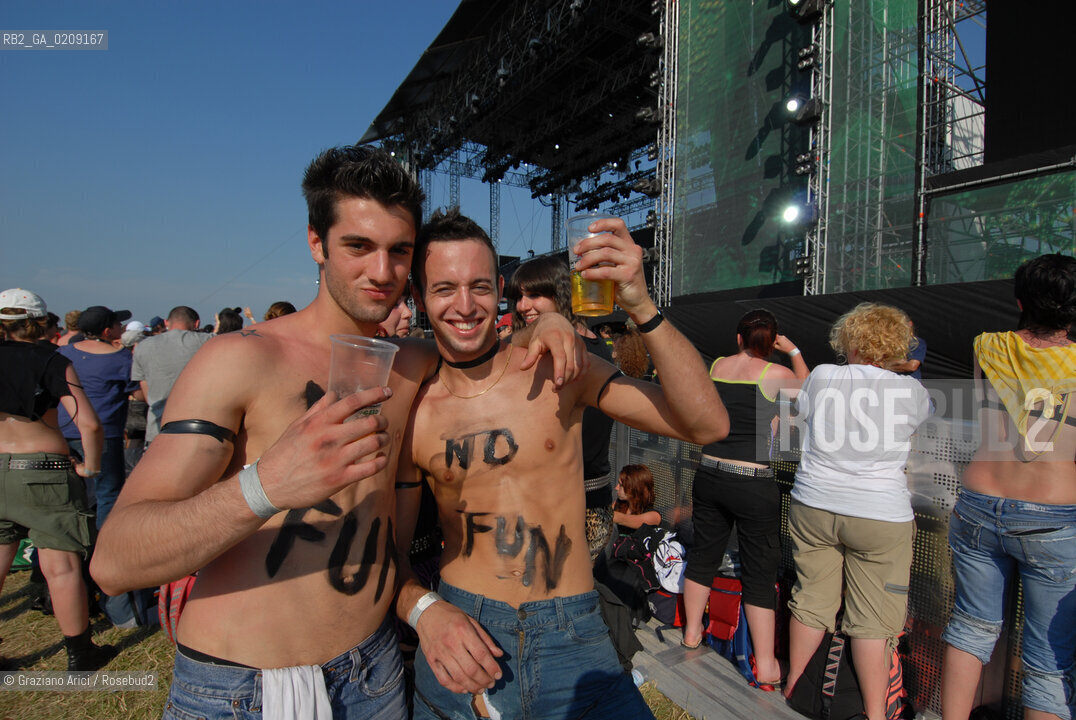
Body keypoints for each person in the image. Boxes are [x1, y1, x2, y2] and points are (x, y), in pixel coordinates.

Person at [90, 146, 583, 718]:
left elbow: (484, 346)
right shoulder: (240, 360)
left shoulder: (411, 362)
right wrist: (266, 485)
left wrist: (546, 322)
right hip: (245, 687)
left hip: (374, 674)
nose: (382, 271)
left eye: (399, 251)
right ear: (316, 244)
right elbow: (115, 559)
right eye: (358, 246)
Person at [395, 208, 728, 720]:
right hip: (464, 632)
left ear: (500, 288)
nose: (465, 305)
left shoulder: (558, 369)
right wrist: (426, 612)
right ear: (418, 297)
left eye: (480, 287)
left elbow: (707, 425)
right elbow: (388, 559)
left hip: (573, 635)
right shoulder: (412, 409)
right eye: (444, 289)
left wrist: (640, 304)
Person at [941, 254, 1076, 720]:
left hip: (979, 502)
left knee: (970, 629)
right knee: (1048, 661)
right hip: (1052, 519)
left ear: (1020, 300)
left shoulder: (986, 346)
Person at [782, 303, 930, 720]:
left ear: (847, 338)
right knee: (872, 621)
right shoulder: (912, 391)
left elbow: (803, 413)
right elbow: (918, 423)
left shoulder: (822, 376)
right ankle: (874, 712)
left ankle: (797, 688)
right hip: (879, 512)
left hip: (814, 502)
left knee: (811, 600)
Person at [681, 310, 808, 690]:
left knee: (703, 556)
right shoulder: (777, 375)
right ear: (771, 343)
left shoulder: (718, 365)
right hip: (753, 482)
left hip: (710, 472)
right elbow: (812, 395)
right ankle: (766, 665)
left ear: (738, 338)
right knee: (759, 572)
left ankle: (691, 633)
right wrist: (795, 351)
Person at [0, 289, 116, 670]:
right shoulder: (52, 359)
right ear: (40, 322)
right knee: (60, 567)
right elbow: (88, 423)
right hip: (43, 469)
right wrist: (91, 467)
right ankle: (80, 654)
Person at [506, 254, 619, 560]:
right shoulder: (593, 348)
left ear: (561, 294)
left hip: (565, 509)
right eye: (519, 297)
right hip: (571, 503)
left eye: (535, 295)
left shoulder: (577, 358)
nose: (522, 305)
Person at [58, 305, 137, 529]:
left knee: (68, 492)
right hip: (105, 433)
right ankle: (103, 545)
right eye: (117, 324)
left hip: (64, 429)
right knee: (108, 493)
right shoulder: (121, 358)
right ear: (106, 331)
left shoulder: (63, 353)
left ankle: (73, 541)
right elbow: (138, 393)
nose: (121, 327)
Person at [131, 305, 210, 445]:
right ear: (197, 323)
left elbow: (144, 393)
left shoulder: (143, 346)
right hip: (199, 429)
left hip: (157, 429)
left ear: (166, 322)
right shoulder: (207, 341)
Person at [612, 463, 662, 535]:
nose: (616, 488)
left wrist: (607, 515)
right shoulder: (620, 504)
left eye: (621, 485)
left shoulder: (654, 516)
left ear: (633, 488)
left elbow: (625, 520)